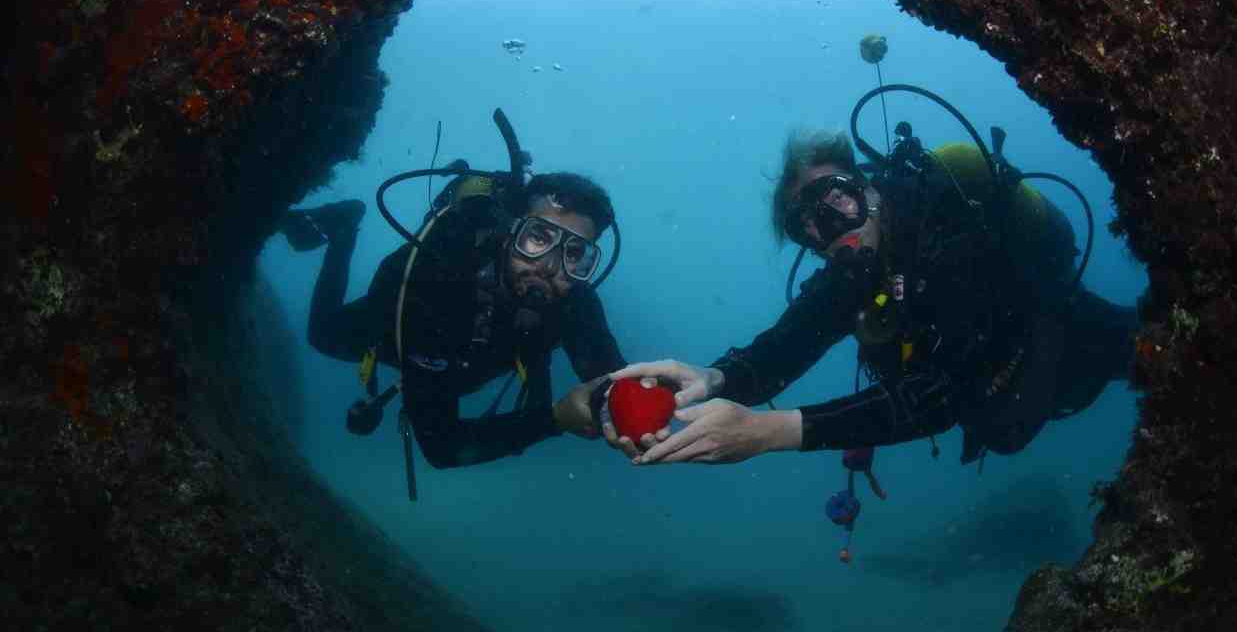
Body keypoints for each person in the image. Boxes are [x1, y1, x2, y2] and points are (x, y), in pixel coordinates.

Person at [606, 128, 1136, 468]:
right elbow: (778, 352)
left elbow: (943, 394)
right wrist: (710, 378)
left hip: (1071, 341)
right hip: (1004, 410)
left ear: (869, 188)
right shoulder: (849, 277)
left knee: (1160, 353)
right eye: (806, 226)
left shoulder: (942, 226)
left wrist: (769, 432)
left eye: (836, 198)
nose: (829, 229)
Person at [282, 170, 623, 468]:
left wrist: (642, 404)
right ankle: (344, 229)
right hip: (397, 333)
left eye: (576, 253)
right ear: (509, 232)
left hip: (465, 365)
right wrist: (556, 418)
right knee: (322, 335)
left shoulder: (574, 298)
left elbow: (613, 382)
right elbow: (442, 448)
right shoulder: (441, 281)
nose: (550, 267)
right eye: (538, 237)